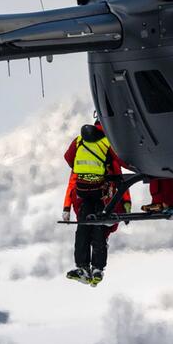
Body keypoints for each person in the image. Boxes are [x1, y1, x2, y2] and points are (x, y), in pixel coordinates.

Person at [62, 121, 130, 286]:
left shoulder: (79, 140)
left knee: (83, 229)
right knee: (99, 228)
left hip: (83, 192)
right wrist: (126, 202)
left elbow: (69, 159)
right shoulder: (107, 141)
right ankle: (98, 268)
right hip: (101, 193)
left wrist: (67, 206)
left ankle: (82, 267)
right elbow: (121, 166)